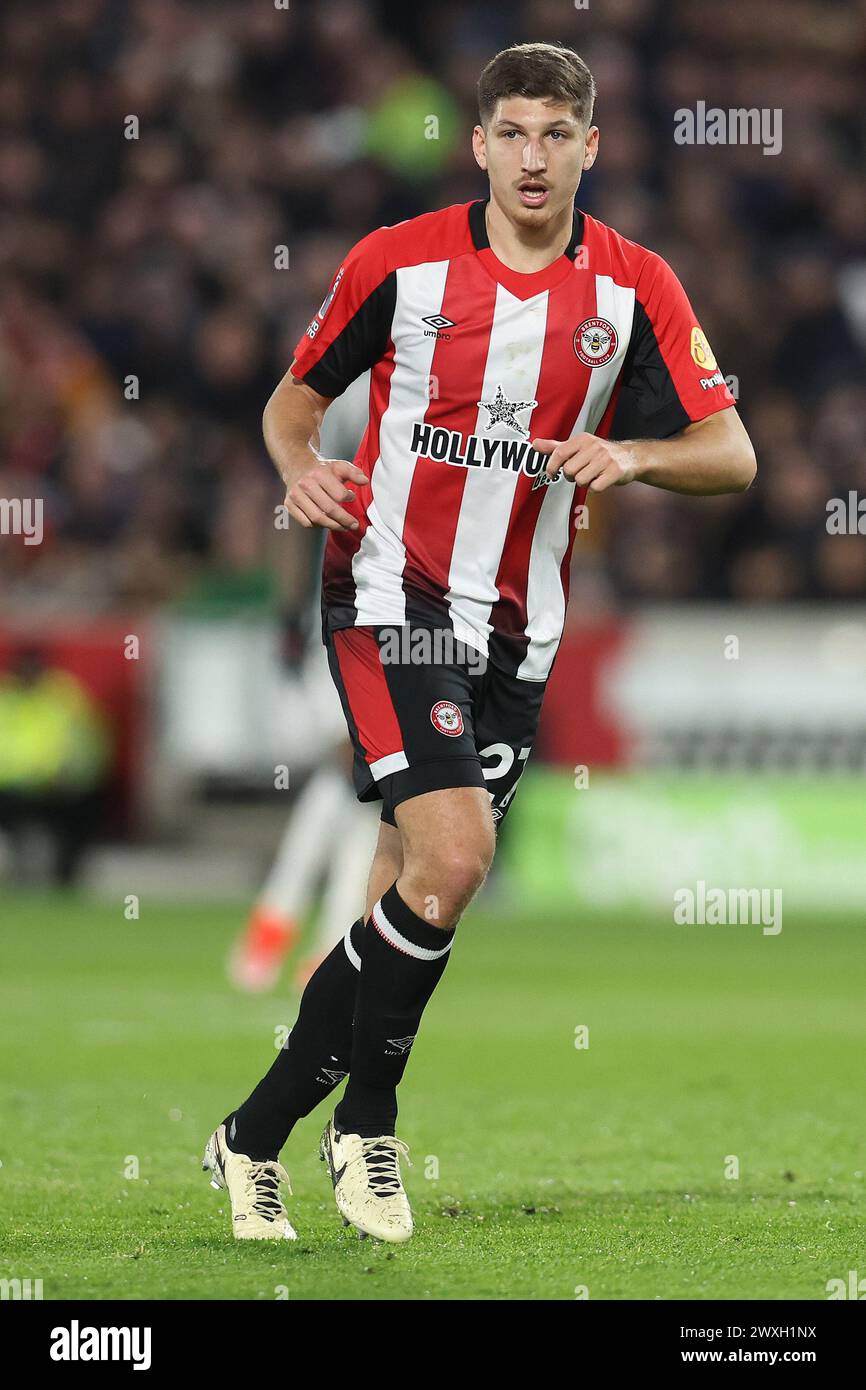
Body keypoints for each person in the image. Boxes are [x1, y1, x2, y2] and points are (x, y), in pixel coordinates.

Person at [203, 41, 756, 1244]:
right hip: (390, 599)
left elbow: (734, 454)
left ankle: (251, 1137)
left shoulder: (632, 288)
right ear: (478, 145)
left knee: (406, 898)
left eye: (556, 135)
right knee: (451, 864)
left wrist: (636, 454)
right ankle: (371, 1125)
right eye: (511, 132)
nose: (532, 157)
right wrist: (301, 472)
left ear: (591, 148)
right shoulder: (394, 265)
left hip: (518, 635)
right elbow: (291, 400)